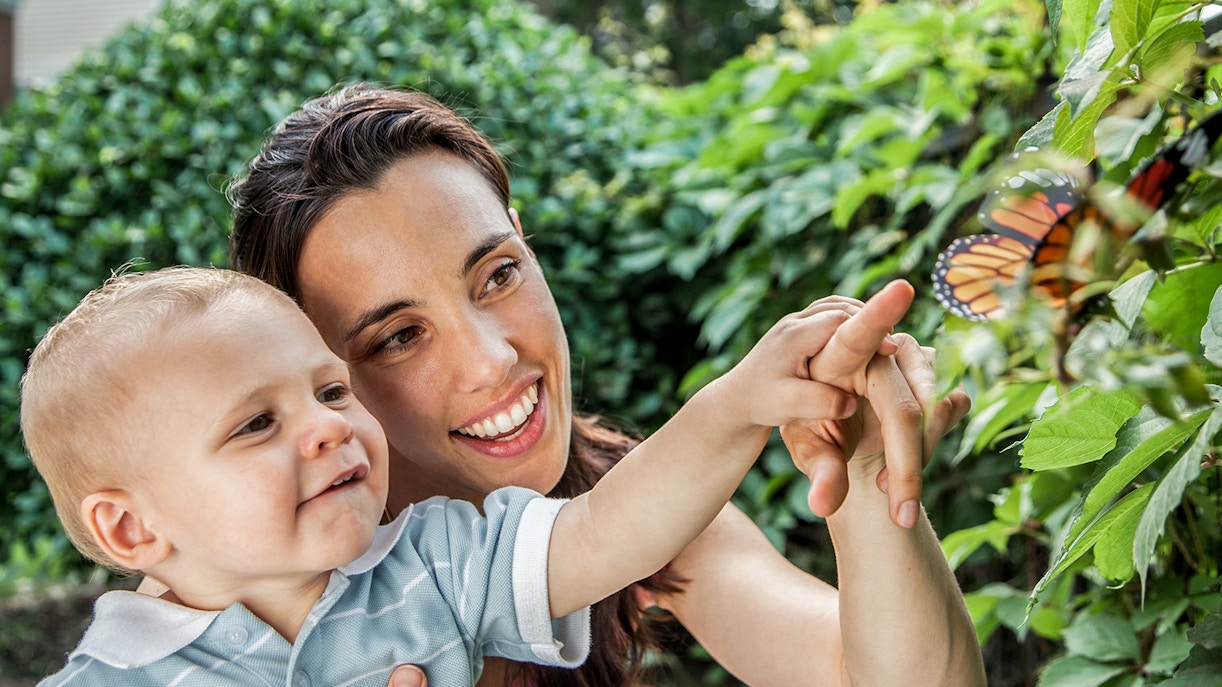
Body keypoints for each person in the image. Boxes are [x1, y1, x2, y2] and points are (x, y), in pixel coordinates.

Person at [227, 84, 986, 686]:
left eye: (497, 274)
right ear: (317, 374)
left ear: (526, 241)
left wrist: (863, 473)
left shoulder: (642, 506)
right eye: (397, 337)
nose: (492, 360)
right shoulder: (257, 610)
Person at [24, 266, 898, 686]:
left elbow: (608, 529)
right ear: (132, 529)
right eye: (258, 422)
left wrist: (738, 401)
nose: (330, 425)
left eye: (331, 389)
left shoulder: (437, 564)